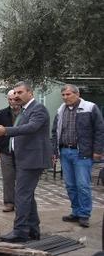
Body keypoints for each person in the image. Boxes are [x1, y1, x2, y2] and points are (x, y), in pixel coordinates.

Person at [0, 81, 50, 243]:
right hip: (22, 158)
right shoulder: (25, 110)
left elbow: (31, 128)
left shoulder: (38, 109)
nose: (16, 96)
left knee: (21, 195)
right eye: (14, 93)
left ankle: (20, 231)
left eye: (20, 92)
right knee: (27, 195)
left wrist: (6, 131)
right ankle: (33, 229)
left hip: (32, 159)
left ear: (30, 92)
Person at [51, 84, 104, 229]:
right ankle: (75, 211)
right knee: (70, 185)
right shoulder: (60, 110)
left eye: (68, 94)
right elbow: (55, 131)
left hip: (82, 153)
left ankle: (84, 214)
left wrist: (98, 151)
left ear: (77, 93)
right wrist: (54, 151)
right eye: (63, 95)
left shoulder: (90, 107)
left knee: (83, 185)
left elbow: (100, 130)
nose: (65, 97)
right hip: (65, 152)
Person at [0, 90, 23, 212]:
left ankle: (21, 203)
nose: (12, 102)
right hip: (6, 151)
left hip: (23, 151)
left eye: (14, 99)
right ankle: (9, 202)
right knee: (8, 178)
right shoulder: (1, 114)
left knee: (22, 178)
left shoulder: (26, 113)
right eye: (9, 99)